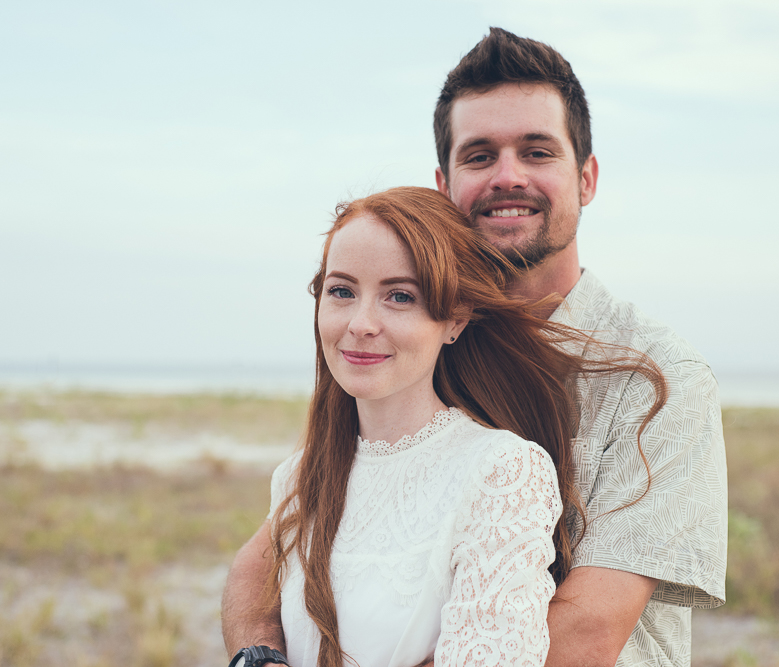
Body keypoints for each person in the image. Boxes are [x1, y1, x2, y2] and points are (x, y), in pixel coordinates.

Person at [224, 27, 727, 667]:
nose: (507, 176)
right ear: (445, 184)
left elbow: (588, 631)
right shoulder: (418, 341)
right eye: (480, 155)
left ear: (588, 178)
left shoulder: (658, 376)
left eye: (538, 151)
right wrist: (258, 656)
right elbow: (267, 557)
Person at [247, 186, 664, 667]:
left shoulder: (503, 472)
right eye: (342, 291)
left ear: (456, 318)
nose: (361, 323)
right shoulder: (297, 478)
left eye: (400, 296)